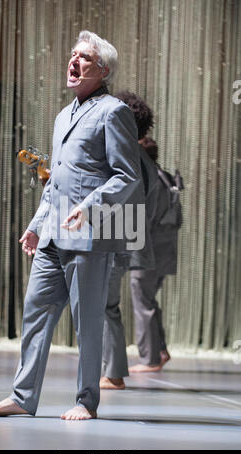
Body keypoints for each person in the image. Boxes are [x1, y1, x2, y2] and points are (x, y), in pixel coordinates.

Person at [0, 31, 144, 420]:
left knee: (87, 323)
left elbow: (127, 175)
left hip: (89, 236)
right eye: (72, 54)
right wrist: (37, 223)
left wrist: (91, 207)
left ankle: (87, 401)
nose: (73, 61)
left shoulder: (113, 111)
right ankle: (23, 397)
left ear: (102, 70)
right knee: (35, 312)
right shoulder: (63, 115)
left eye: (84, 57)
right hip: (54, 234)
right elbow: (55, 181)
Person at [100, 92, 158, 390]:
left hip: (116, 238)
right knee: (107, 305)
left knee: (106, 305)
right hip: (125, 238)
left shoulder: (130, 157)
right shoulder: (142, 158)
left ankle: (113, 373)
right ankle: (112, 370)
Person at [129, 137, 183, 373]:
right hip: (164, 250)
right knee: (149, 301)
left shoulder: (149, 180)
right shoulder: (166, 177)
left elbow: (144, 219)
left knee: (142, 301)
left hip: (148, 251)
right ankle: (159, 351)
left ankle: (150, 358)